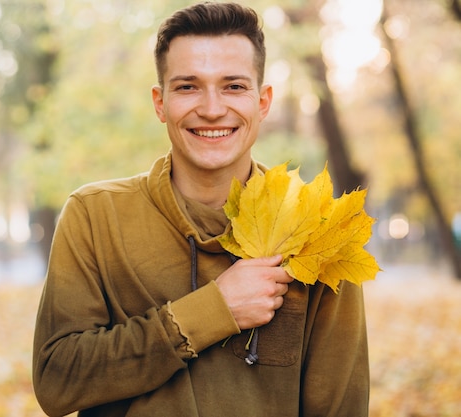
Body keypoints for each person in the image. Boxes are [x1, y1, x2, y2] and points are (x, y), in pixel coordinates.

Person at [32, 2, 370, 416]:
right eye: (188, 86)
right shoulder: (94, 216)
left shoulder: (317, 230)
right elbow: (56, 382)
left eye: (233, 86)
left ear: (263, 102)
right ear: (160, 102)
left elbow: (340, 407)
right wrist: (212, 312)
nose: (212, 108)